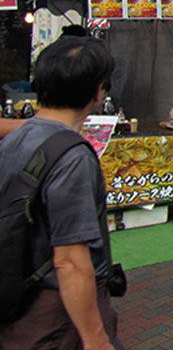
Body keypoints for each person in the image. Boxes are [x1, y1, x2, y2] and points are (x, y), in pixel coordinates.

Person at [0, 36, 122, 349]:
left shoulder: (15, 138)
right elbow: (70, 260)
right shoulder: (73, 156)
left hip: (17, 299)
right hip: (55, 312)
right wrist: (96, 339)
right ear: (97, 93)